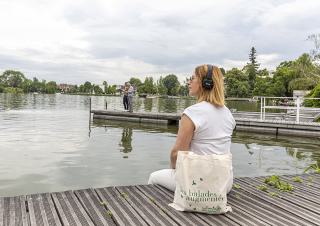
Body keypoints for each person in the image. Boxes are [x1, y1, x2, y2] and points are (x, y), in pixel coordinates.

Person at [148, 64, 236, 192]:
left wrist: (175, 170)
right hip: (225, 183)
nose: (189, 82)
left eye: (192, 78)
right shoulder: (227, 113)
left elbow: (177, 154)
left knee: (154, 177)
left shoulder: (192, 113)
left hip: (202, 183)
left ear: (205, 83)